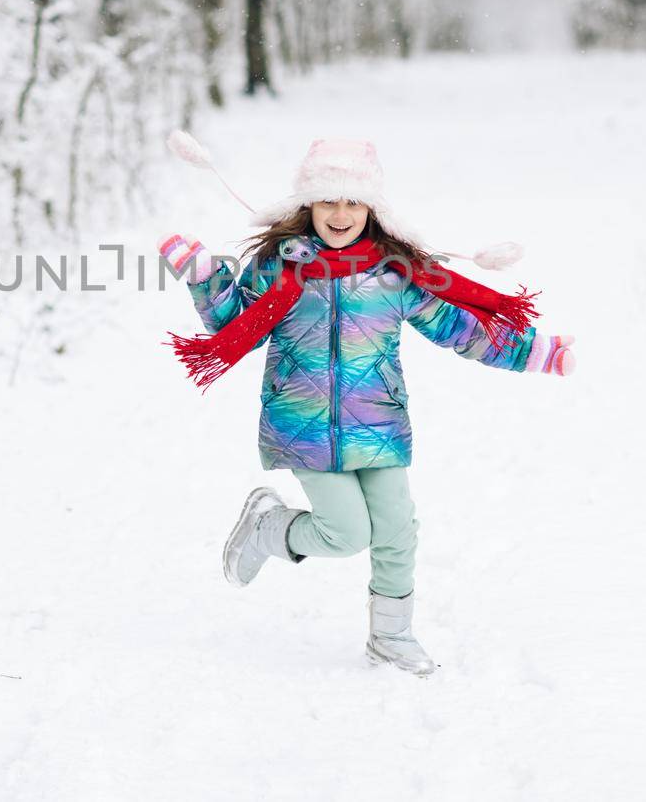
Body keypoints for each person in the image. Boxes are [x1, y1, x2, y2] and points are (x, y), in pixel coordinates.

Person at [159, 137, 574, 676]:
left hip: (379, 422)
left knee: (397, 529)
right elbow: (233, 324)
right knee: (347, 533)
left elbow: (458, 328)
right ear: (307, 205)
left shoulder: (396, 275)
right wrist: (204, 277)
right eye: (328, 200)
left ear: (372, 209)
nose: (340, 213)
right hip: (303, 427)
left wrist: (534, 353)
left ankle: (391, 635)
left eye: (353, 202)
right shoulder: (278, 267)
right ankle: (267, 528)